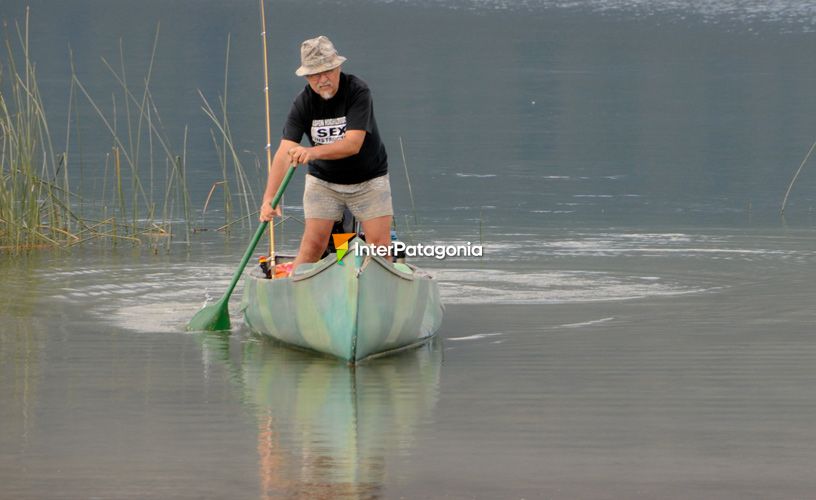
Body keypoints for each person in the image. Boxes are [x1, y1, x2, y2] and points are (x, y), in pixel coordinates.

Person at [259, 35, 393, 273]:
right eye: (314, 74)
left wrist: (311, 152)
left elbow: (353, 144)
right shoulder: (303, 102)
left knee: (380, 247)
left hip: (369, 180)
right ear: (307, 77)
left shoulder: (358, 91)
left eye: (328, 71)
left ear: (338, 67)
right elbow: (284, 151)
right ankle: (294, 296)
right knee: (313, 246)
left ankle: (382, 299)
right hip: (324, 182)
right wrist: (269, 198)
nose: (323, 80)